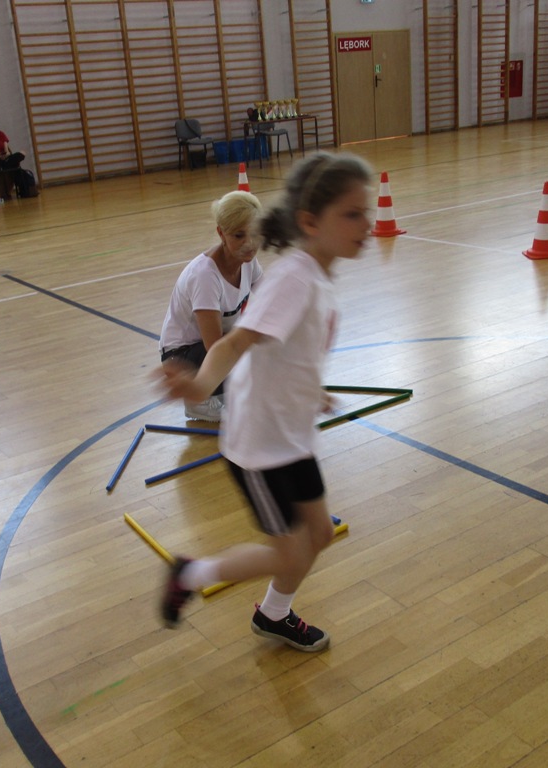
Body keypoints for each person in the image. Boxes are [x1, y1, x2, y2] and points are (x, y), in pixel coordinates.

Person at [158, 152, 374, 652]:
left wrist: (311, 389)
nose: (367, 224)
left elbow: (289, 350)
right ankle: (190, 574)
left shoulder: (316, 275)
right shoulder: (294, 276)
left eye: (367, 212)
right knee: (289, 552)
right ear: (310, 222)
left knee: (318, 534)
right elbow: (234, 344)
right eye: (352, 214)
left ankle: (273, 615)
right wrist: (199, 387)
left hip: (292, 437)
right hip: (259, 446)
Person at [158, 190, 264, 422]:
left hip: (218, 346)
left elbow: (270, 303)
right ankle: (200, 402)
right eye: (239, 235)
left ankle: (223, 391)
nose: (249, 243)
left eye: (255, 234)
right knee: (246, 346)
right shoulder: (205, 276)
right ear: (221, 233)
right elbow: (214, 345)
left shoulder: (249, 262)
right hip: (184, 356)